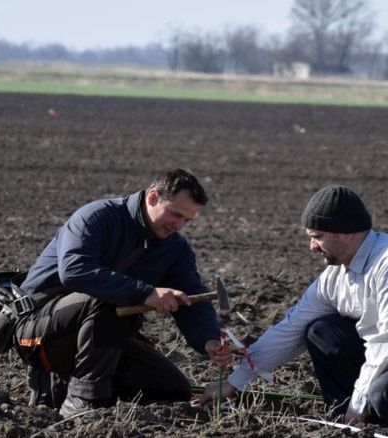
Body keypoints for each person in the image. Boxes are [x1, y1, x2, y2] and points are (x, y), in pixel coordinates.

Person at [200, 185, 388, 428]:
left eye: (317, 237)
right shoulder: (335, 276)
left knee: (387, 392)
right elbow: (291, 328)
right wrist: (234, 383)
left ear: (345, 232)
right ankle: (350, 423)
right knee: (320, 330)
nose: (312, 247)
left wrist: (360, 397)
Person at [15, 168, 230, 418]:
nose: (179, 225)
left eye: (187, 220)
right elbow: (75, 270)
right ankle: (82, 399)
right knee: (112, 300)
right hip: (38, 331)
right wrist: (145, 293)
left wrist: (208, 340)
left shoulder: (174, 248)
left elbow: (191, 294)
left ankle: (64, 384)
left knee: (172, 389)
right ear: (152, 197)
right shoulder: (97, 217)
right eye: (175, 214)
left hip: (101, 335)